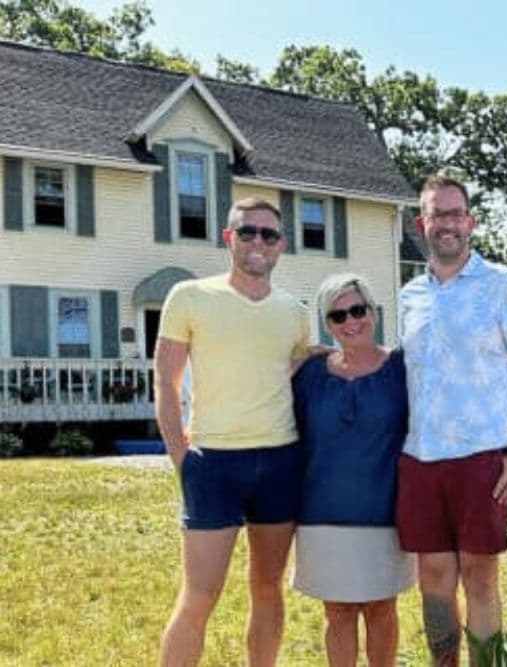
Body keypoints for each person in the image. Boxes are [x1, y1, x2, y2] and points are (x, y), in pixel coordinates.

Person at [396, 175, 507, 664]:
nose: (446, 223)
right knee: (434, 582)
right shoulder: (409, 296)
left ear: (471, 222)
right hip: (420, 460)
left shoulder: (503, 285)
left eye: (454, 213)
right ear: (421, 224)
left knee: (480, 581)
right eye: (435, 214)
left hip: (482, 459)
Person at [154, 196, 310, 667]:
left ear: (281, 245)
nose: (258, 242)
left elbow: (298, 372)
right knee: (199, 596)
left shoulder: (295, 312)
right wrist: (181, 456)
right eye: (247, 232)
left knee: (267, 588)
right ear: (229, 238)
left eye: (268, 234)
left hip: (281, 461)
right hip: (214, 463)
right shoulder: (189, 296)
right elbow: (166, 380)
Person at [290, 273, 416, 666]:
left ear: (373, 312)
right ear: (327, 325)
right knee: (338, 613)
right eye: (338, 316)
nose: (350, 322)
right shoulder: (309, 373)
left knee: (381, 609)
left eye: (357, 310)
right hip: (320, 513)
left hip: (384, 512)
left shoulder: (402, 368)